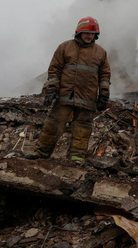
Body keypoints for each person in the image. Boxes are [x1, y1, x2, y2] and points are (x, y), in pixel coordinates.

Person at [32, 17, 111, 163]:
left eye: (92, 34)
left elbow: (104, 76)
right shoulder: (65, 47)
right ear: (79, 32)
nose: (89, 36)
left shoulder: (101, 52)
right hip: (65, 95)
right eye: (86, 33)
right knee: (53, 124)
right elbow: (54, 70)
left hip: (88, 98)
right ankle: (41, 153)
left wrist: (104, 95)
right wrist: (52, 90)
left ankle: (76, 158)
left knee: (83, 129)